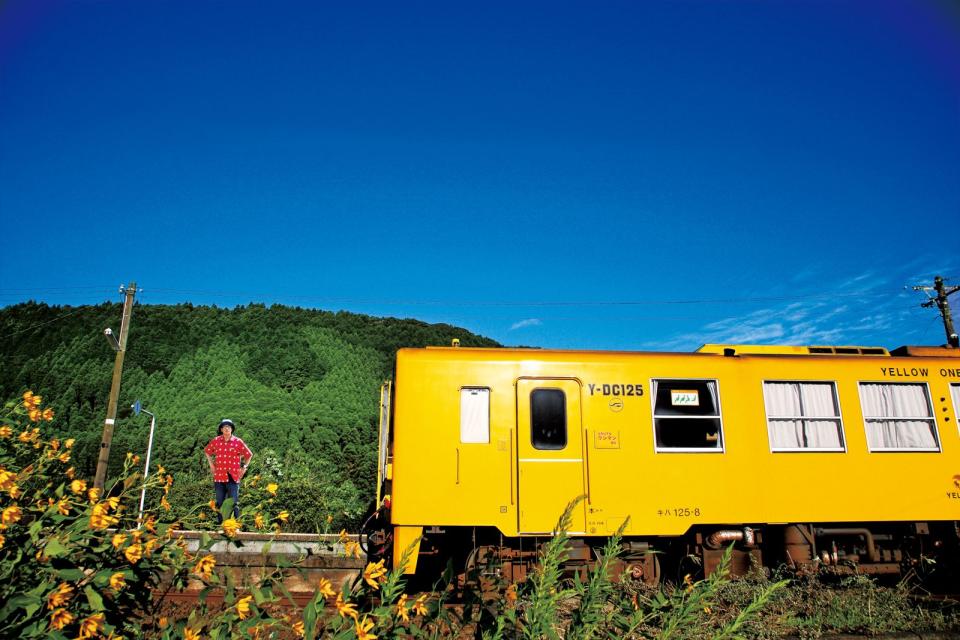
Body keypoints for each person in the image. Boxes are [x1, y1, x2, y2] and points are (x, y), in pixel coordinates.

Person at [203, 418, 253, 522]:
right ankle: (222, 526)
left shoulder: (238, 442)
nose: (227, 429)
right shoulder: (216, 441)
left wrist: (244, 468)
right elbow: (207, 451)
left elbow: (249, 455)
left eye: (229, 427)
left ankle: (234, 527)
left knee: (233, 503)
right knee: (220, 503)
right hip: (219, 476)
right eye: (224, 427)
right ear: (221, 429)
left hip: (233, 477)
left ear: (232, 429)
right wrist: (211, 465)